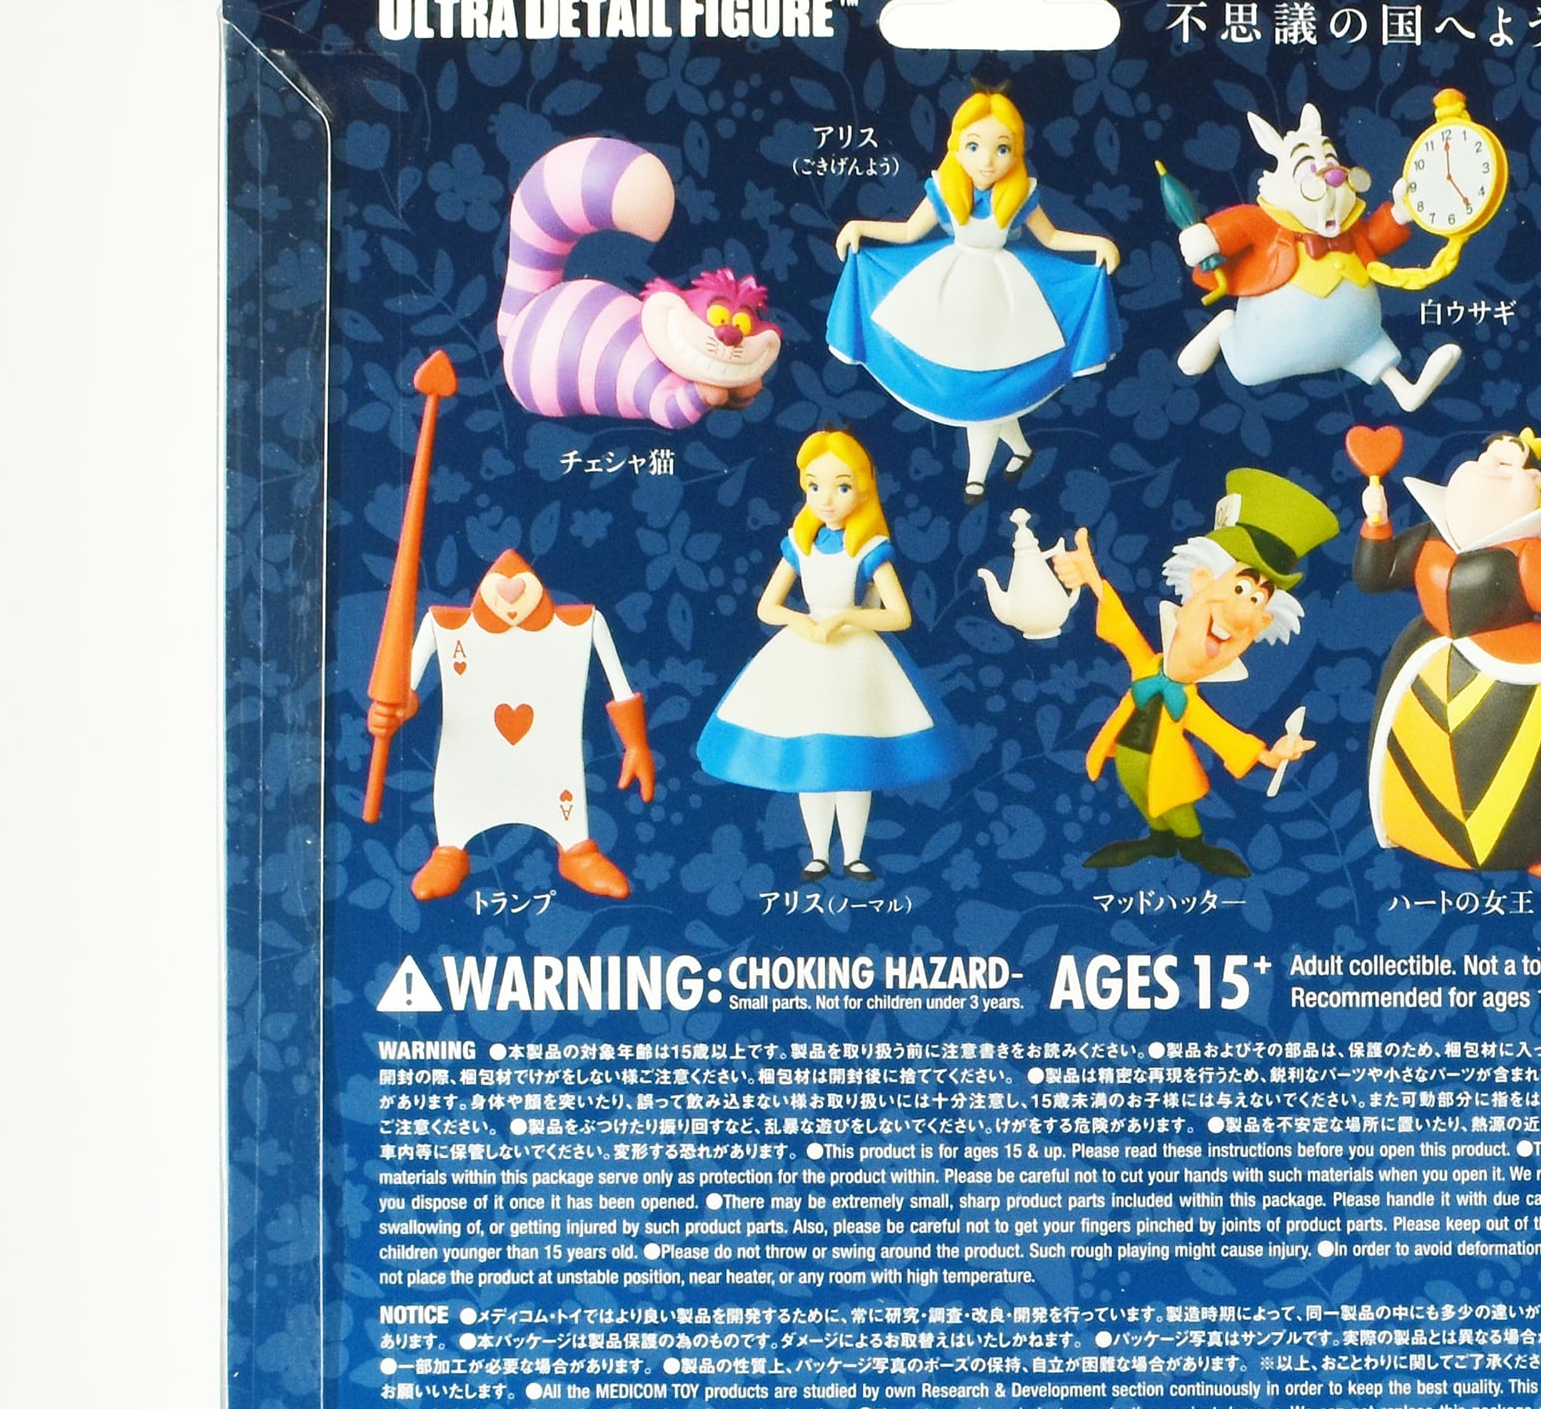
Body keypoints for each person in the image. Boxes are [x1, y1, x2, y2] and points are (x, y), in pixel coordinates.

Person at [1351, 426, 1541, 874]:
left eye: (1509, 463)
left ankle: (1530, 846)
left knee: (1518, 765)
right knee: (1418, 758)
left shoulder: (1526, 551)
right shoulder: (1430, 536)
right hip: (1423, 669)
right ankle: (1418, 830)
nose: (1494, 466)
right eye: (1490, 457)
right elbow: (1376, 576)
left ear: (1533, 483)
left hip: (1508, 678)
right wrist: (1376, 523)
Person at [697, 429, 966, 880]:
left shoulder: (870, 550)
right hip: (805, 655)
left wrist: (845, 618)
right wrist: (801, 622)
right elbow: (767, 606)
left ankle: (854, 854)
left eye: (841, 487)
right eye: (814, 486)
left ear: (862, 489)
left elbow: (899, 615)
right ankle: (819, 853)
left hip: (856, 661)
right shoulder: (799, 545)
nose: (826, 499)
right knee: (812, 761)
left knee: (854, 764)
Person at [828, 90, 1121, 498]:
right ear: (957, 148)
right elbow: (909, 231)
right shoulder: (945, 191)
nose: (987, 161)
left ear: (1015, 152)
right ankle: (1020, 451)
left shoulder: (1019, 196)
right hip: (952, 292)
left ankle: (976, 477)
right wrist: (860, 226)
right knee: (982, 394)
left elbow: (1052, 237)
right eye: (973, 146)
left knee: (988, 392)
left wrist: (1096, 244)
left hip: (1002, 299)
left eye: (1001, 148)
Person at [1051, 469, 1332, 879]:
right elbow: (1121, 626)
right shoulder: (1146, 666)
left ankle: (1194, 846)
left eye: (1257, 602)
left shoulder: (1189, 702)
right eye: (1240, 589)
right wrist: (1091, 576)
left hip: (1166, 768)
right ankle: (1158, 839)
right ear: (1201, 581)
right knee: (1141, 795)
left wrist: (1272, 756)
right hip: (1128, 756)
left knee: (1177, 807)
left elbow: (1223, 735)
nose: (1239, 619)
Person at [368, 545, 655, 901]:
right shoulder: (445, 627)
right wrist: (388, 713)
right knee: (459, 796)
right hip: (470, 755)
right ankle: (449, 852)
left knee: (562, 797)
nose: (511, 602)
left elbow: (618, 682)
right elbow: (401, 692)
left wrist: (636, 743)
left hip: (550, 753)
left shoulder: (581, 626)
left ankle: (577, 852)